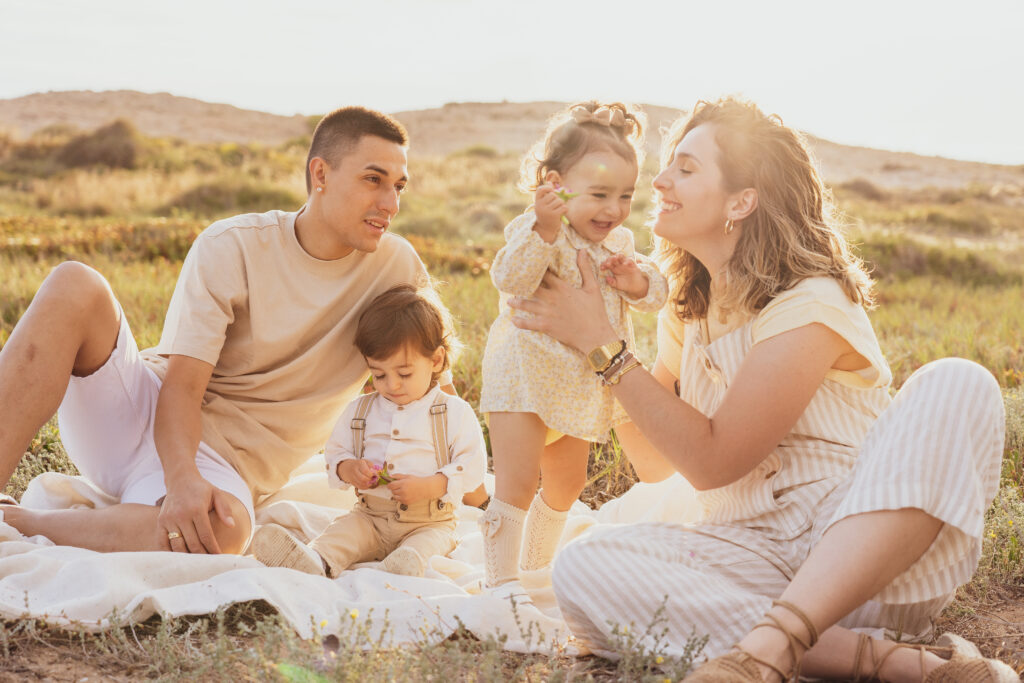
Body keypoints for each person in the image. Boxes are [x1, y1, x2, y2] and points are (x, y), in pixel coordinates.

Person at [508, 98, 1016, 681]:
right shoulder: (684, 309)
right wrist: (601, 338)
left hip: (858, 552)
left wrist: (606, 346)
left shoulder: (811, 299)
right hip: (747, 553)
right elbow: (656, 465)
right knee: (584, 568)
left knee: (959, 380)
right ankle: (892, 663)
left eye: (687, 168)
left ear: (741, 201)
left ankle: (775, 644)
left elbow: (716, 459)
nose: (661, 180)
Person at [0, 106, 477, 555]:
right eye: (374, 180)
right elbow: (182, 385)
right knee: (75, 283)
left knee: (226, 530)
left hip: (229, 465)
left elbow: (431, 383)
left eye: (399, 186)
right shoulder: (232, 246)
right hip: (139, 414)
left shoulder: (396, 266)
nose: (390, 203)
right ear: (321, 175)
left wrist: (462, 473)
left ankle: (20, 524)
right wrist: (181, 478)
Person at [477, 101, 668, 600]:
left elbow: (656, 296)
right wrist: (542, 230)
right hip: (524, 378)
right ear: (555, 186)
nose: (614, 209)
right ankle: (500, 583)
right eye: (600, 193)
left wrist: (636, 279)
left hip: (578, 386)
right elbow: (510, 278)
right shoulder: (538, 231)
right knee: (516, 486)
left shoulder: (618, 242)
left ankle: (536, 567)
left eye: (626, 195)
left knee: (567, 483)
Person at [252, 284, 486, 578]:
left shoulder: (453, 412)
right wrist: (351, 469)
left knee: (426, 545)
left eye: (404, 373)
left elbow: (471, 467)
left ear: (436, 361)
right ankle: (315, 561)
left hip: (429, 520)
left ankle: (405, 564)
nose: (392, 385)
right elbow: (336, 452)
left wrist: (429, 486)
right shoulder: (360, 411)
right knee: (343, 533)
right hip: (370, 515)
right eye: (379, 375)